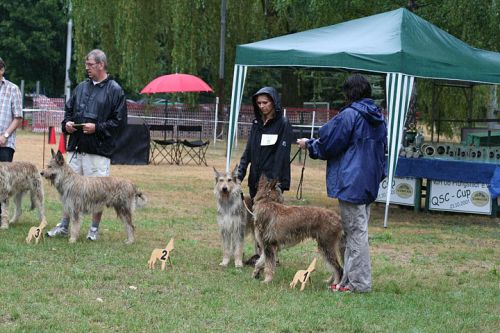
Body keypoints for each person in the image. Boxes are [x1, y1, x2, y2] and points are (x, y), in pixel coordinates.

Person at [297, 74, 387, 293]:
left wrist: (311, 146)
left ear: (350, 93)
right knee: (355, 231)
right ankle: (348, 281)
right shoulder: (378, 117)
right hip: (368, 180)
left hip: (351, 181)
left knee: (355, 234)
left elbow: (331, 143)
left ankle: (358, 284)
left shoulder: (350, 115)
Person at [47, 49, 127, 241]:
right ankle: (64, 226)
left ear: (101, 64)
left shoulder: (115, 90)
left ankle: (93, 230)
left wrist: (97, 127)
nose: (87, 68)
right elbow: (68, 111)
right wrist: (67, 125)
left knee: (98, 193)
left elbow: (120, 122)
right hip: (76, 148)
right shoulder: (81, 87)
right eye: (86, 64)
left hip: (98, 151)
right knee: (68, 190)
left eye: (90, 64)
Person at [238, 87, 293, 199]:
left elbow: (281, 156)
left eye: (265, 102)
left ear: (274, 102)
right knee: (255, 214)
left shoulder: (283, 124)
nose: (262, 106)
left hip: (271, 183)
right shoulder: (256, 124)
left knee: (268, 215)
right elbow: (248, 152)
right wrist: (239, 176)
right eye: (259, 103)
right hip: (254, 180)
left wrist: (273, 182)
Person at [0, 57, 23, 224]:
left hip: (5, 144)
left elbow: (18, 117)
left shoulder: (13, 89)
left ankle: (3, 217)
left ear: (2, 70)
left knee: (3, 184)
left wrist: (5, 136)